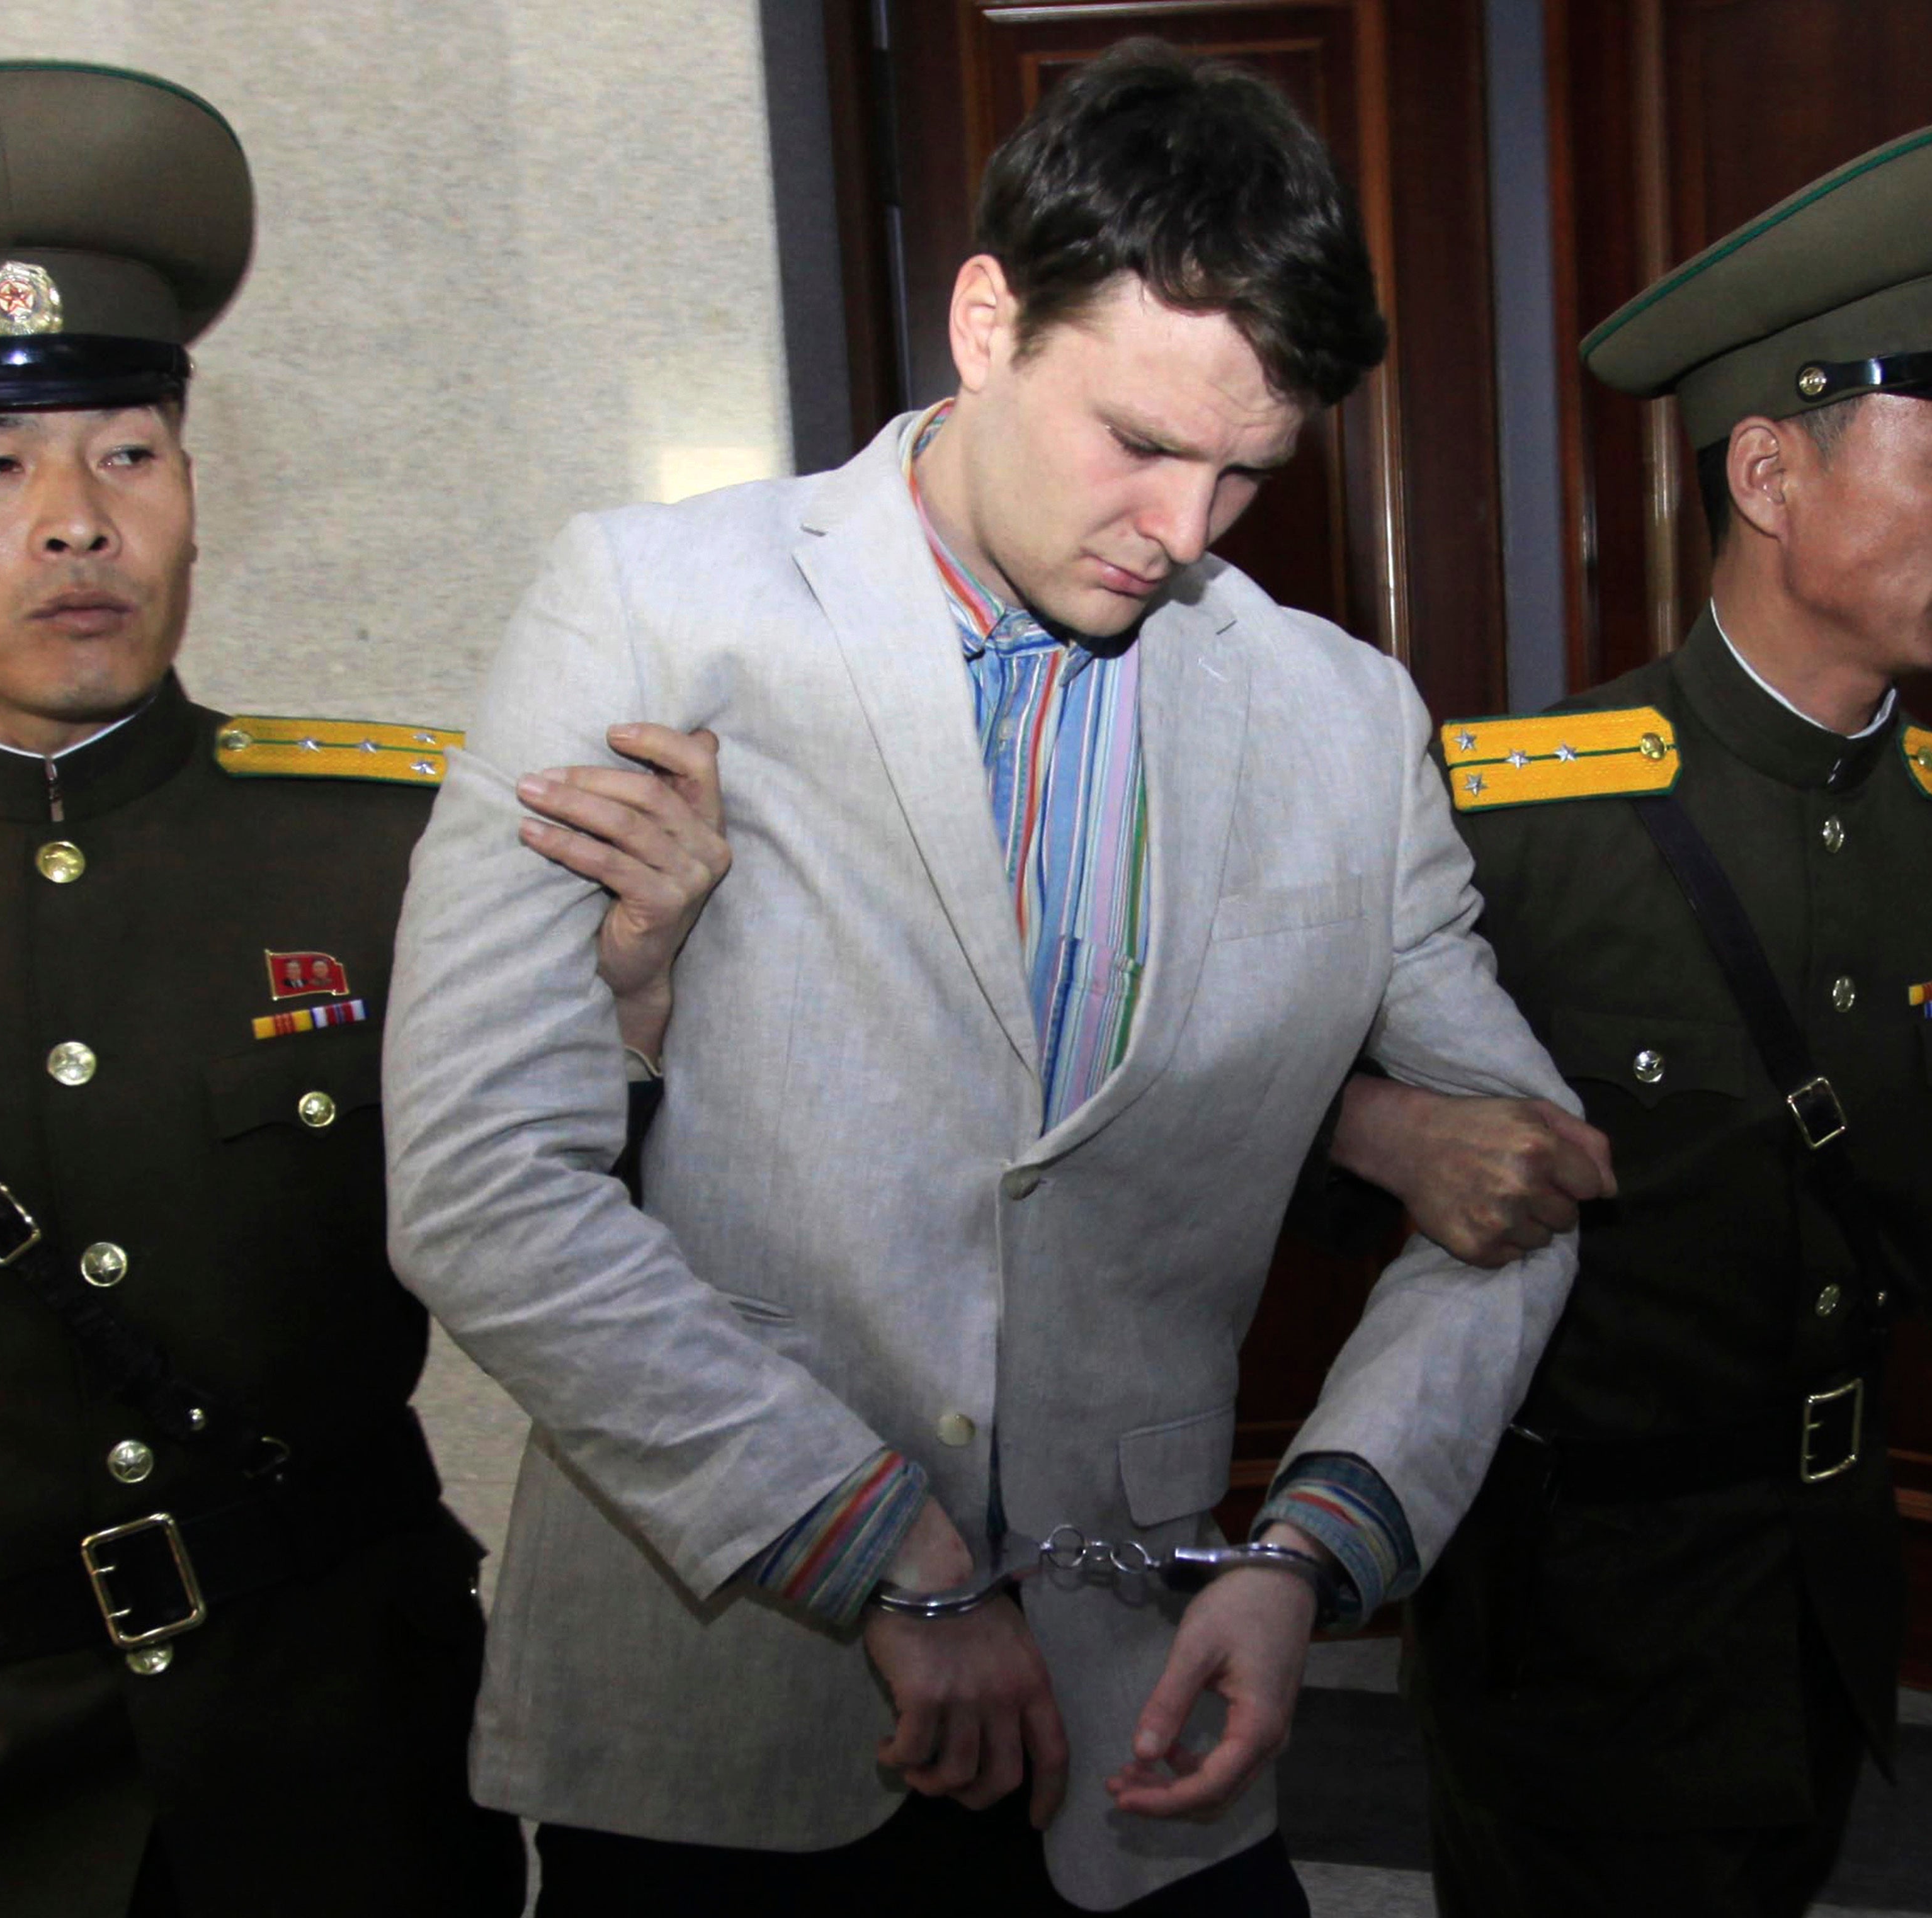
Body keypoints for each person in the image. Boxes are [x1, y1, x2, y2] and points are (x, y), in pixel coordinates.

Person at [382, 42, 1591, 1915]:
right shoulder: (655, 607)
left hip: (1147, 1730)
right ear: (983, 322)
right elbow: (479, 1178)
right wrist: (887, 1552)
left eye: (1246, 475)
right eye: (1140, 441)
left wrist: (1313, 1550)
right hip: (727, 1712)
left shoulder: (1342, 722)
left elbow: (1527, 1178)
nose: (1183, 537)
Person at [0, 62, 729, 1918]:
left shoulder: (388, 844)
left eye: (128, 452)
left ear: (194, 494)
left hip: (346, 1760)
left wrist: (635, 1017)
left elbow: (589, 1252)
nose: (78, 520)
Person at [1326, 111, 1932, 1917]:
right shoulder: (1515, 820)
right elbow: (1259, 1138)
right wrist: (1378, 1133)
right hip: (1568, 1634)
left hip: (1823, 1618)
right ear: (1772, 475)